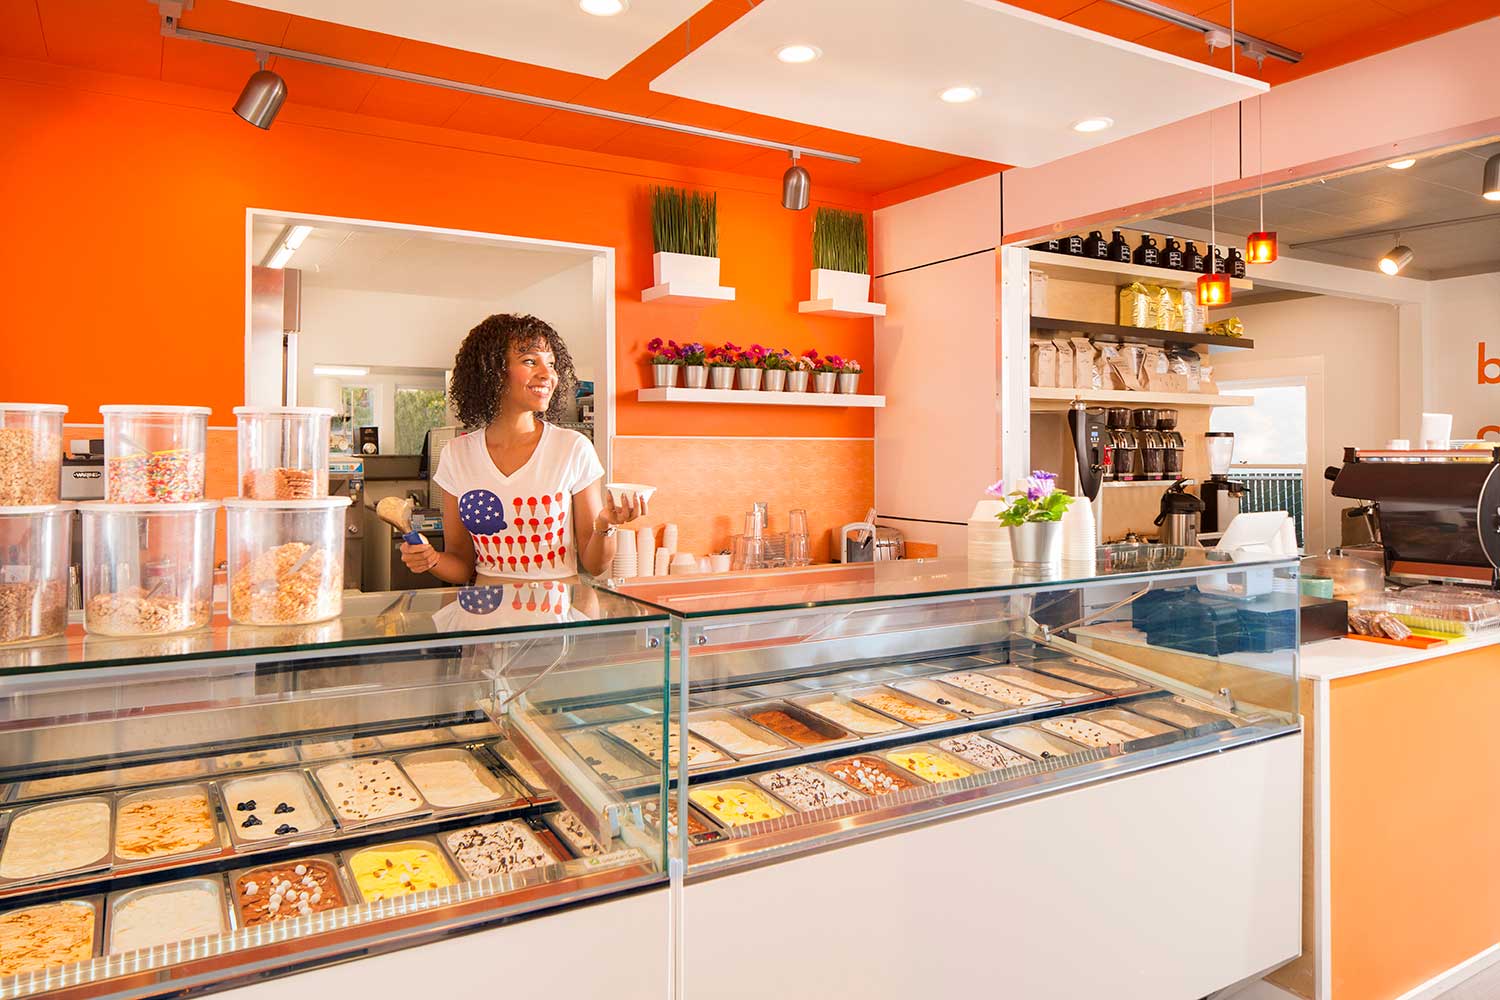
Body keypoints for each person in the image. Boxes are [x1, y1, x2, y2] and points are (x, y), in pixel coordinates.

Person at [400, 313, 643, 583]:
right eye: (530, 361)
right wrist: (430, 558)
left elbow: (595, 565)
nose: (548, 374)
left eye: (551, 364)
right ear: (492, 370)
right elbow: (461, 565)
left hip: (555, 618)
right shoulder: (457, 454)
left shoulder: (572, 448)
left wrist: (605, 525)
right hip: (487, 618)